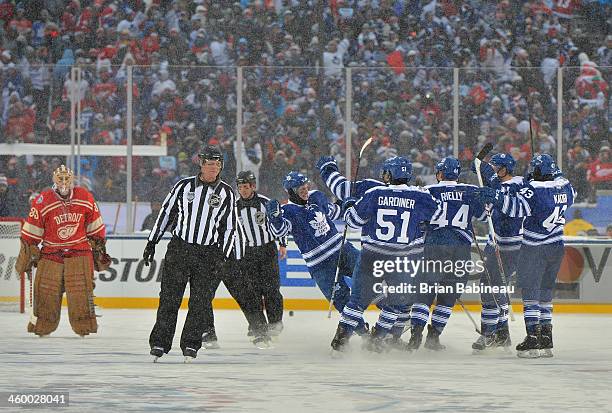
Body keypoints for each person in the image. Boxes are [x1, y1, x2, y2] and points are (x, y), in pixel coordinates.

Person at [144, 146, 268, 362]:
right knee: (169, 298)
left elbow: (230, 228)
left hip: (208, 253)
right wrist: (151, 242)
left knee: (200, 303)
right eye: (209, 164)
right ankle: (160, 343)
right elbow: (166, 212)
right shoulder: (183, 187)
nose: (213, 168)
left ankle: (191, 345)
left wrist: (223, 255)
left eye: (217, 165)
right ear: (201, 164)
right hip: (180, 248)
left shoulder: (227, 193)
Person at [330, 156, 443, 353]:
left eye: (385, 172)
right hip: (401, 260)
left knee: (356, 301)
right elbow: (438, 216)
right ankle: (377, 339)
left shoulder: (375, 193)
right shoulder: (421, 197)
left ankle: (340, 341)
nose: (383, 175)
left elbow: (354, 222)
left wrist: (348, 205)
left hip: (371, 257)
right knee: (396, 304)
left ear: (391, 173)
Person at [475, 154, 575, 358]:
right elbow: (568, 187)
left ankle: (527, 338)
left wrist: (494, 193)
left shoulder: (531, 189)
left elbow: (515, 208)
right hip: (555, 245)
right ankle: (545, 337)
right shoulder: (563, 187)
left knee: (528, 294)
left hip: (531, 247)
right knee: (544, 293)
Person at [15, 165, 110, 337]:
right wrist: (27, 254)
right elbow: (31, 232)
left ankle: (84, 326)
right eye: (61, 178)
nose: (64, 182)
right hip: (51, 253)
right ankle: (43, 326)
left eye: (67, 178)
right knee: (45, 293)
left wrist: (98, 249)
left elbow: (95, 229)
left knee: (81, 293)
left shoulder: (85, 197)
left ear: (72, 179)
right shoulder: (43, 200)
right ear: (54, 179)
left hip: (79, 253)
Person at [407, 157, 487, 351]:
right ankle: (433, 337)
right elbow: (484, 217)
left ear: (440, 173)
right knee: (448, 296)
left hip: (435, 245)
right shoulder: (470, 191)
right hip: (460, 250)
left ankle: (415, 335)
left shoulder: (429, 191)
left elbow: (418, 220)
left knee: (425, 293)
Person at [265, 171, 359, 319]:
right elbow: (280, 231)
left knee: (369, 274)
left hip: (342, 250)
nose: (305, 190)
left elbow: (334, 212)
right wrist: (274, 218)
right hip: (320, 265)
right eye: (300, 188)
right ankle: (364, 332)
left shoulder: (316, 196)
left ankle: (391, 311)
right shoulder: (287, 211)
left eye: (305, 186)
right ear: (290, 191)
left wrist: (347, 205)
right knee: (342, 300)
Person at [470, 153, 526, 352]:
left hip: (509, 246)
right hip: (499, 244)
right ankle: (502, 333)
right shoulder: (506, 186)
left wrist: (488, 178)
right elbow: (487, 218)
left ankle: (490, 333)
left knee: (489, 287)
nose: (492, 170)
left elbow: (507, 204)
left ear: (504, 169)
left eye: (495, 167)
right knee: (496, 287)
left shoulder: (513, 186)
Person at [235, 170, 286, 336]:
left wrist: (283, 244)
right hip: (247, 253)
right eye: (240, 187)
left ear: (253, 186)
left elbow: (279, 223)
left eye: (245, 187)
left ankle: (275, 322)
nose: (243, 190)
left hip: (267, 250)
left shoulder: (265, 203)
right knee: (252, 292)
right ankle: (258, 325)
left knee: (271, 290)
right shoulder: (234, 207)